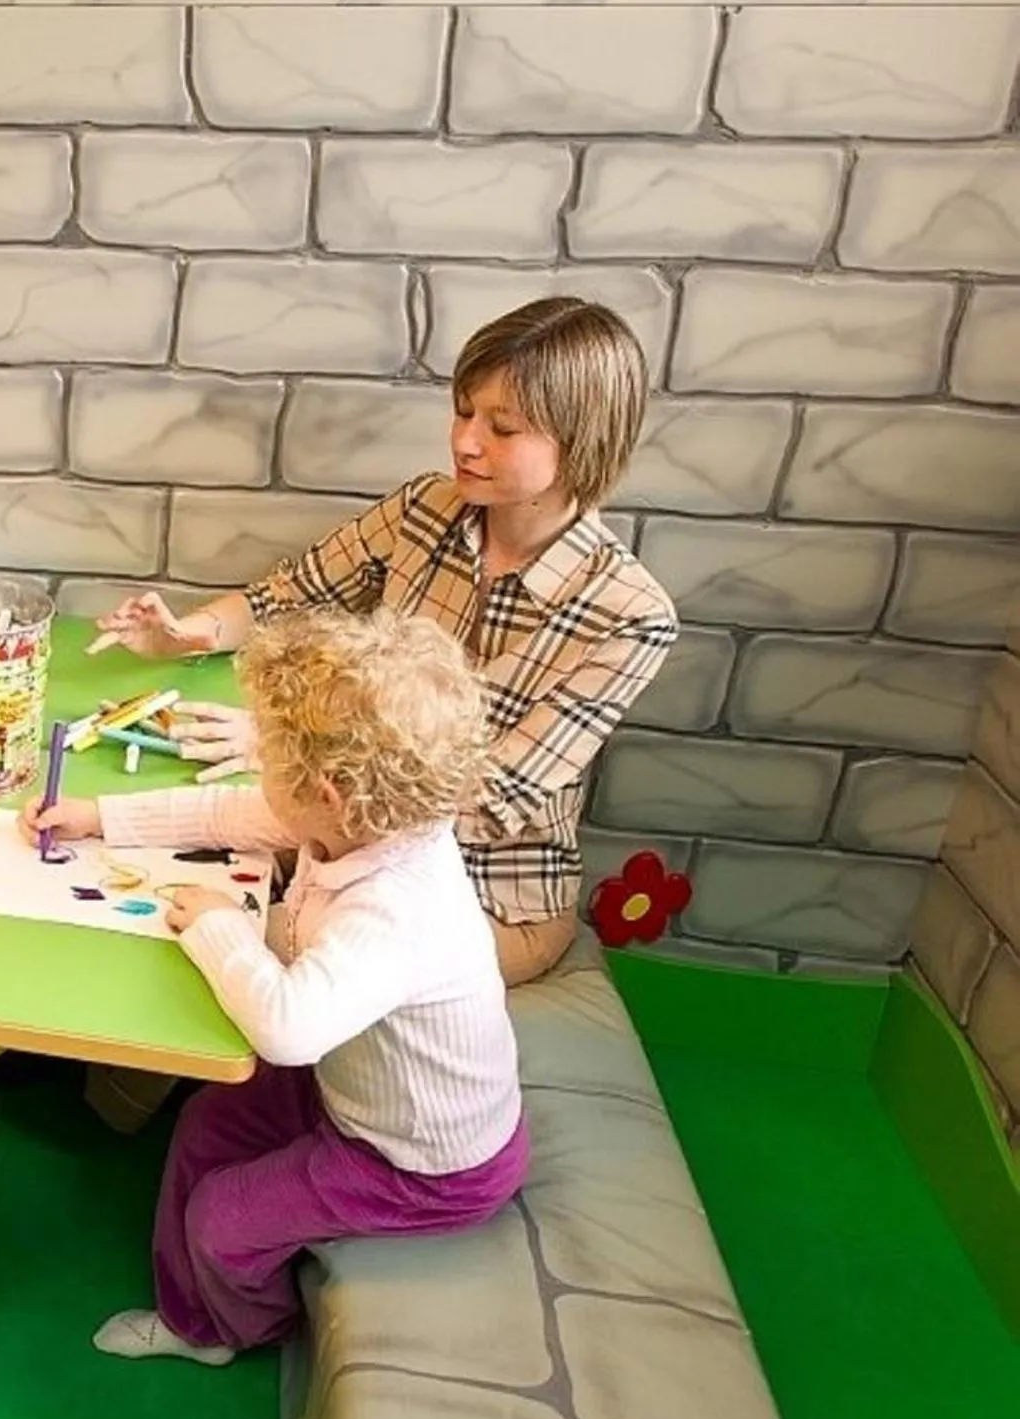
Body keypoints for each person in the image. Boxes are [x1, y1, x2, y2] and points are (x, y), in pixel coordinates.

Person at [93, 297, 678, 990]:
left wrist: (285, 746)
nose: (465, 441)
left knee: (225, 936)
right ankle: (81, 1084)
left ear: (584, 442)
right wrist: (190, 635)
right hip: (341, 838)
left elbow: (490, 801)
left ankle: (137, 1098)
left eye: (504, 427)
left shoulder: (630, 615)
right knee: (158, 878)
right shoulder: (428, 508)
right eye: (463, 411)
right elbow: (290, 592)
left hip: (482, 896)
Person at [23, 609, 528, 1362]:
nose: (258, 774)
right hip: (353, 1088)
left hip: (422, 1164)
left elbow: (288, 1030)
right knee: (206, 1124)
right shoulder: (364, 822)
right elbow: (233, 812)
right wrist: (98, 816)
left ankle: (234, 1330)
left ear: (326, 789)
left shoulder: (397, 904)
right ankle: (193, 1303)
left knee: (223, 1219)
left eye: (268, 757)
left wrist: (221, 924)